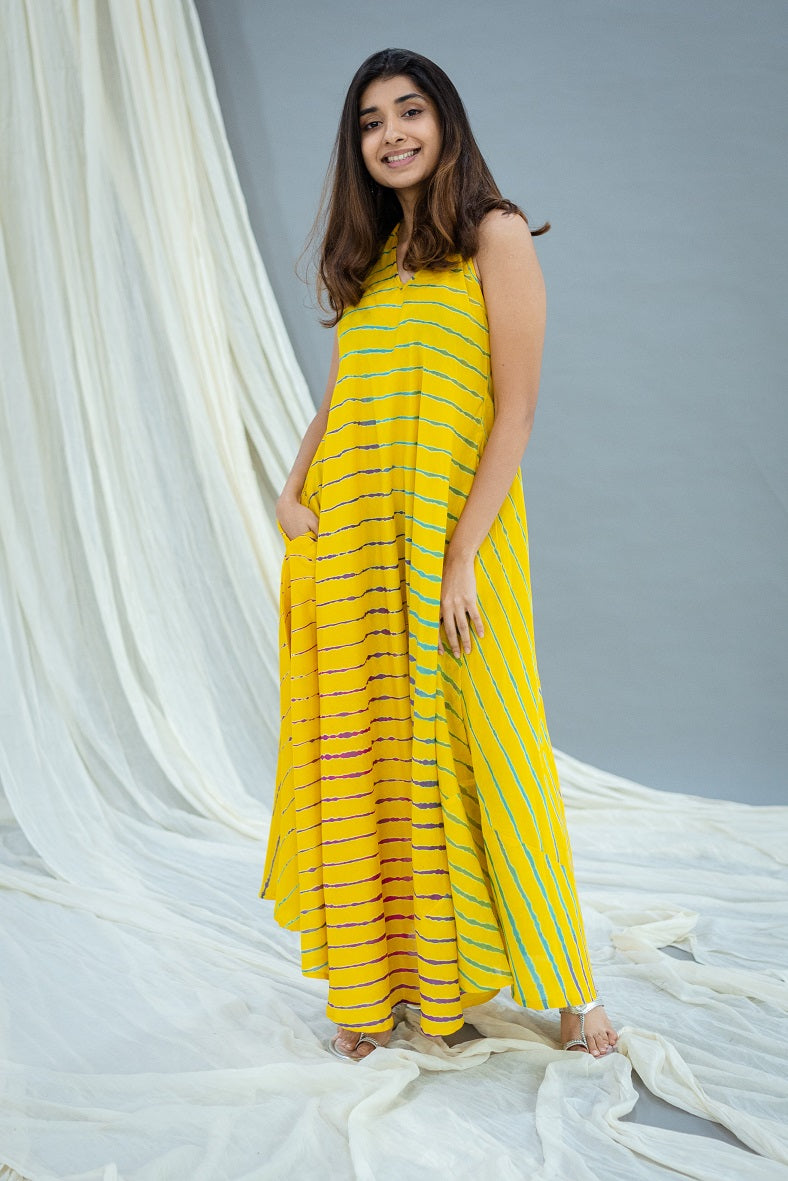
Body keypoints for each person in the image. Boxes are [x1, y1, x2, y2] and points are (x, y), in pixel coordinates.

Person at [259, 47, 619, 1064]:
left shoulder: (494, 235)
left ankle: (570, 991)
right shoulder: (369, 260)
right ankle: (380, 983)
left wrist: (460, 557)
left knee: (494, 747)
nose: (391, 134)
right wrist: (290, 491)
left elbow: (517, 411)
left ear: (444, 121)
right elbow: (342, 399)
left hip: (457, 546)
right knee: (372, 756)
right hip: (356, 545)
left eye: (408, 111)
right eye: (370, 122)